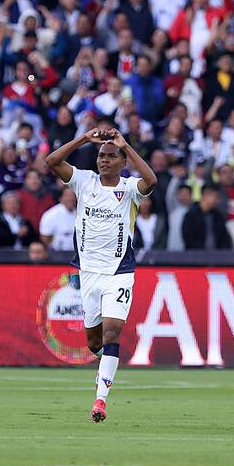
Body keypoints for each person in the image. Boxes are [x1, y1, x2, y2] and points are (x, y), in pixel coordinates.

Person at [46, 127, 157, 423]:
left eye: (111, 156)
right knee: (95, 342)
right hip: (90, 274)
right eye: (101, 156)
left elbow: (151, 180)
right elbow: (52, 162)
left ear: (122, 161)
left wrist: (126, 145)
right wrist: (82, 138)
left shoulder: (130, 188)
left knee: (111, 333)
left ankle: (100, 401)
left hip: (119, 272)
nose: (104, 161)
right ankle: (106, 361)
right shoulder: (84, 181)